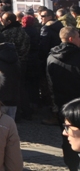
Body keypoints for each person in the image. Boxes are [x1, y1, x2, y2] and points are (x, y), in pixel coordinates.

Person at [46, 25, 80, 171]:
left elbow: (49, 83)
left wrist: (54, 105)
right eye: (79, 36)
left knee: (67, 137)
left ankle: (71, 165)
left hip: (61, 104)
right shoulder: (78, 55)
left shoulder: (51, 56)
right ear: (71, 38)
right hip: (77, 104)